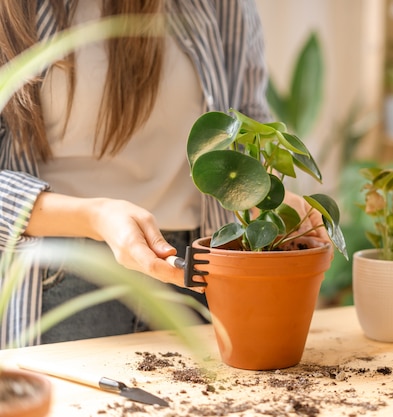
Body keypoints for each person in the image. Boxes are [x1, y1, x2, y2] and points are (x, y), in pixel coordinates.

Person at [0, 0, 326, 348]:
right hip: (63, 275)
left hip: (202, 267)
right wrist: (95, 216)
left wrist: (268, 202)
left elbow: (247, 123)